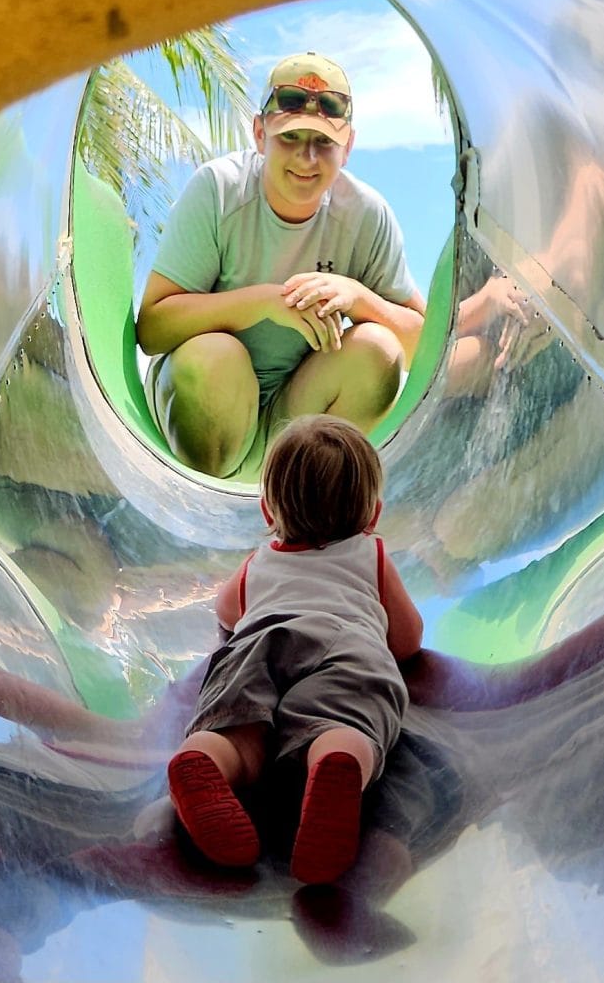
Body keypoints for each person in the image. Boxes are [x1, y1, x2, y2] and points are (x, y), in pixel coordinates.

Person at [136, 52, 426, 480]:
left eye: (324, 141)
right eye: (290, 138)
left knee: (379, 348)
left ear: (347, 147)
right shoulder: (219, 190)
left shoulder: (365, 214)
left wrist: (358, 297)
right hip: (202, 417)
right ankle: (211, 512)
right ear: (260, 133)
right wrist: (267, 302)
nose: (307, 158)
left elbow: (422, 343)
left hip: (294, 423)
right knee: (216, 356)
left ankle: (301, 506)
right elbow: (152, 330)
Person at [166, 414, 424, 884]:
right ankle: (335, 757)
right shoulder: (373, 555)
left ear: (268, 512)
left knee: (238, 734)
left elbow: (227, 614)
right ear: (373, 515)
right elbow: (407, 640)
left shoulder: (255, 565)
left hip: (258, 642)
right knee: (345, 721)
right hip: (345, 646)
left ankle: (208, 757)